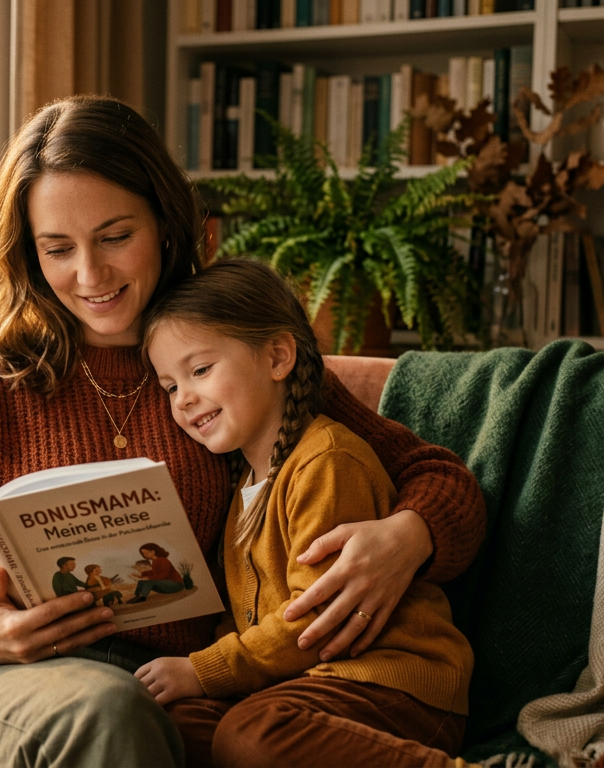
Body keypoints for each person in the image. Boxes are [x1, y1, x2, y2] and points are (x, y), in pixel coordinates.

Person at [0, 95, 486, 768]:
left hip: (178, 680)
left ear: (163, 221)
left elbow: (439, 478)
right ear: (27, 252)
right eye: (58, 249)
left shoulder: (223, 356)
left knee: (190, 728)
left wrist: (407, 538)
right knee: (110, 710)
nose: (90, 275)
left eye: (115, 237)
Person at [136, 258, 474, 767]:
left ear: (277, 356)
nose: (184, 399)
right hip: (304, 684)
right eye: (170, 387)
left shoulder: (326, 462)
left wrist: (203, 670)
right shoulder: (241, 487)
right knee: (177, 727)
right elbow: (248, 618)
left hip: (393, 685)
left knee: (252, 733)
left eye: (200, 370)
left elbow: (311, 618)